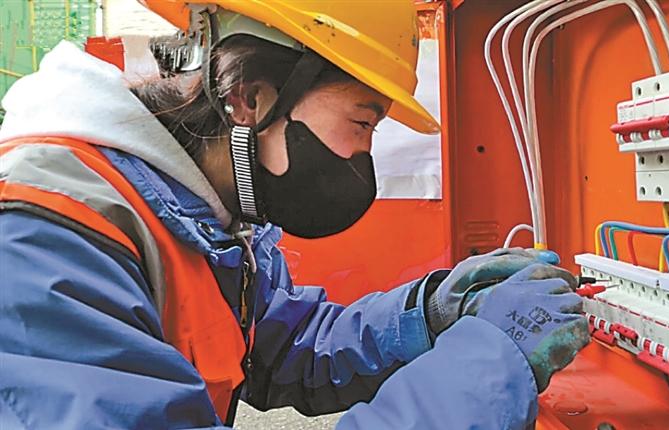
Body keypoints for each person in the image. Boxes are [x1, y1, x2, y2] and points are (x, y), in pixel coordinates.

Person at [0, 1, 590, 429]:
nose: (363, 158)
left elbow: (279, 348)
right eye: (362, 124)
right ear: (249, 97)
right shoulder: (50, 235)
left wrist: (430, 312)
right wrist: (491, 359)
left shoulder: (199, 213)